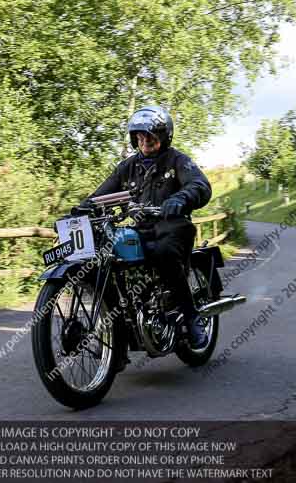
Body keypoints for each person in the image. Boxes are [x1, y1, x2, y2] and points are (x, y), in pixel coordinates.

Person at [76, 105, 213, 347]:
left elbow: (200, 185)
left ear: (163, 136)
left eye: (150, 135)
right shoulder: (128, 166)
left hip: (173, 227)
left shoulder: (178, 161)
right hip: (141, 229)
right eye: (139, 135)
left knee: (164, 253)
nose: (144, 140)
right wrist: (80, 211)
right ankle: (123, 325)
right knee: (114, 256)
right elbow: (101, 194)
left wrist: (181, 198)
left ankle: (191, 318)